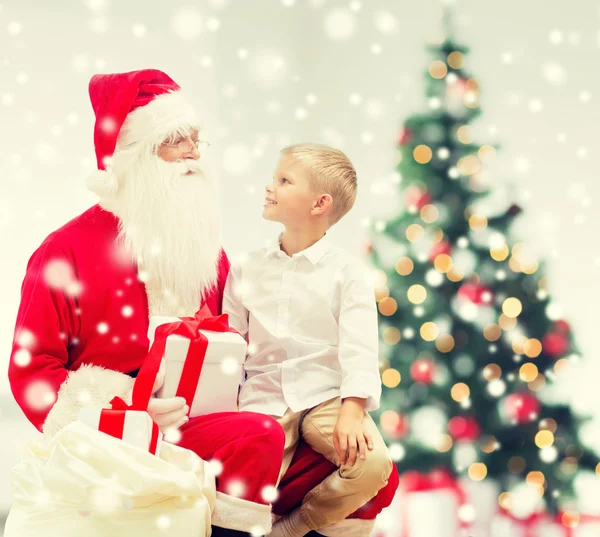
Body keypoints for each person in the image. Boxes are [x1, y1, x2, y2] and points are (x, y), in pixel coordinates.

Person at [8, 69, 283, 536]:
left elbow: (236, 340)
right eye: (177, 140)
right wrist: (124, 411)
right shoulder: (64, 250)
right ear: (136, 155)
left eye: (197, 139)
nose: (194, 152)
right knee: (258, 437)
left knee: (330, 461)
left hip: (202, 422)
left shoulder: (206, 253)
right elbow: (32, 370)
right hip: (112, 437)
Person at [223, 143, 394, 537]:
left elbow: (360, 349)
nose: (270, 187)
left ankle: (293, 529)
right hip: (262, 394)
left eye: (284, 181)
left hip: (326, 395)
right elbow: (230, 340)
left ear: (319, 203)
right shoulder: (247, 267)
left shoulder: (347, 273)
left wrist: (353, 410)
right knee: (245, 481)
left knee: (372, 466)